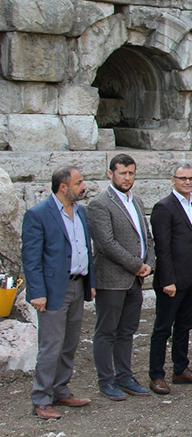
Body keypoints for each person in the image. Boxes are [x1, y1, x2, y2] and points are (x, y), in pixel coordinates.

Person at [21, 166, 95, 419]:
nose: (83, 187)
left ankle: (60, 389)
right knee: (51, 345)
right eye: (78, 183)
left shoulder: (80, 211)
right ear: (63, 187)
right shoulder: (38, 214)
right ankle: (41, 398)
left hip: (78, 285)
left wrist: (90, 282)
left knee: (69, 343)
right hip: (53, 290)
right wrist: (37, 292)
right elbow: (31, 258)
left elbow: (85, 248)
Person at [87, 154, 155, 401]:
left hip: (134, 280)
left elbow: (146, 237)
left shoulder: (136, 201)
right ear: (110, 174)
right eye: (122, 173)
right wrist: (137, 265)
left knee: (127, 331)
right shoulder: (99, 204)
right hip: (112, 280)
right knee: (106, 331)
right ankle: (106, 380)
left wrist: (150, 264)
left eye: (131, 173)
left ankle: (124, 377)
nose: (127, 178)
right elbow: (106, 243)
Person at [148, 164, 192, 394]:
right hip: (172, 280)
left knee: (184, 326)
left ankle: (180, 369)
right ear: (172, 180)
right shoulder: (163, 207)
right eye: (182, 178)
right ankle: (156, 375)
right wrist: (167, 280)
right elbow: (162, 248)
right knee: (163, 328)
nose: (187, 182)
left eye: (191, 178)